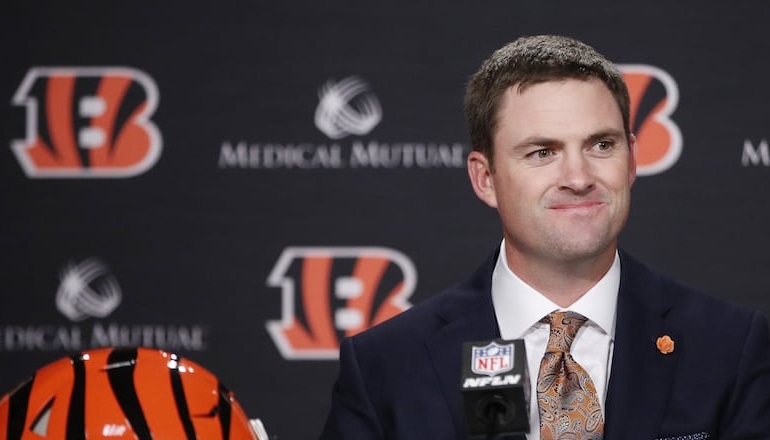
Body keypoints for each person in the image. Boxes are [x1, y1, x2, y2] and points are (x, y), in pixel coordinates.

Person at [318, 34, 770, 439]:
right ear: (485, 179)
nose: (578, 177)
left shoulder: (729, 346)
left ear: (632, 159)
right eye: (542, 152)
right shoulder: (388, 364)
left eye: (601, 145)